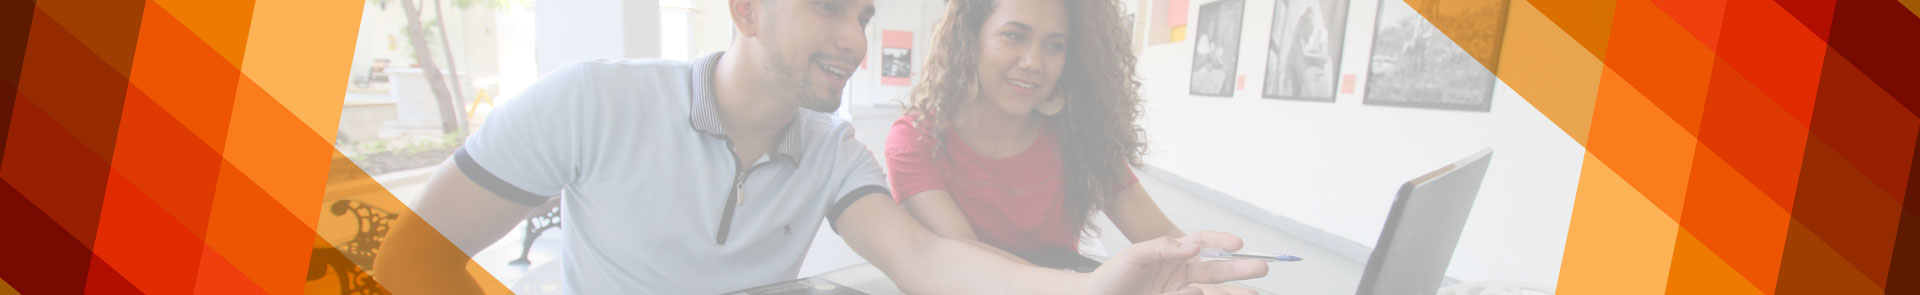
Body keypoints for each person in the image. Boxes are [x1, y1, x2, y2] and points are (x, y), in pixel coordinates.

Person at [370, 0, 1269, 294]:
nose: (853, 38)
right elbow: (407, 257)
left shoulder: (836, 151)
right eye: (828, 6)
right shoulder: (590, 101)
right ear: (748, 9)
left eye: (865, 14)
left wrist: (1096, 285)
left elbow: (927, 255)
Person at [886, 0, 1253, 293]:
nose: (1033, 62)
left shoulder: (1078, 135)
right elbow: (965, 262)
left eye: (1053, 45)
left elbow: (1162, 236)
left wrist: (1201, 269)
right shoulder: (916, 140)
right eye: (1014, 36)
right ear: (971, 37)